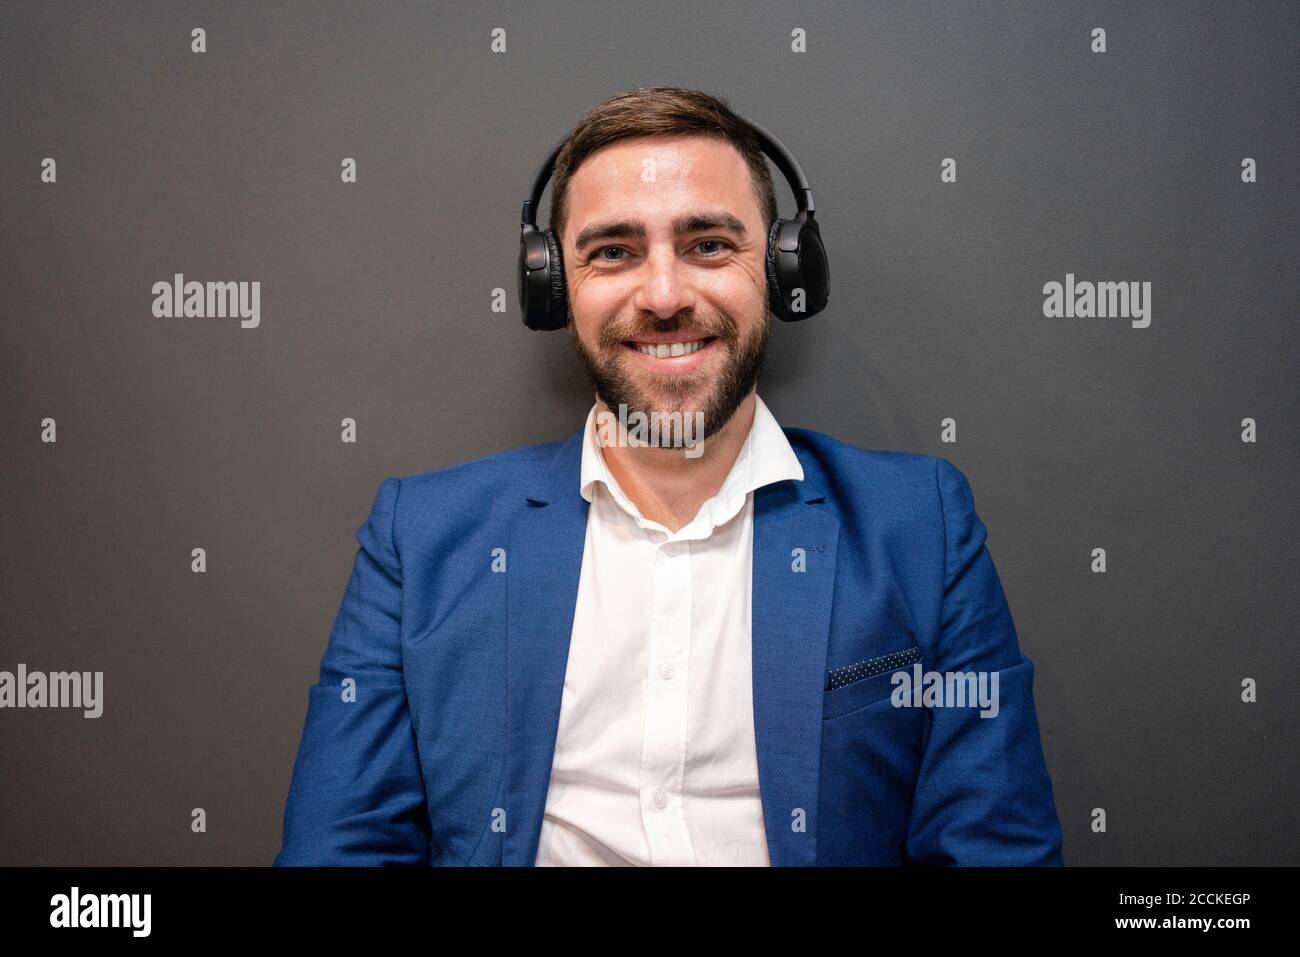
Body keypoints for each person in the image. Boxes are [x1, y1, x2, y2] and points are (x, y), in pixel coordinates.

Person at [274, 86, 1063, 866]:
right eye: (613, 251)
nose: (663, 295)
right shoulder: (420, 538)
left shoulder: (921, 525)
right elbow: (338, 848)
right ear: (554, 286)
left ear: (784, 268)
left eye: (709, 245)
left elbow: (995, 847)